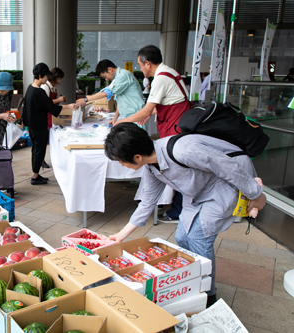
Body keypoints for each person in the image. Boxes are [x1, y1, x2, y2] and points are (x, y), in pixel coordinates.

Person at [105, 122, 266, 308]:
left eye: (121, 160)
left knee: (199, 237)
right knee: (182, 236)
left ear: (137, 157)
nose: (121, 164)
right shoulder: (151, 167)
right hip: (198, 191)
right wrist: (120, 236)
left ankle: (207, 294)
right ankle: (194, 280)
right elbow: (147, 202)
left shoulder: (184, 151)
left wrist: (256, 194)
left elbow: (228, 167)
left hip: (223, 185)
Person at [118, 45, 192, 223]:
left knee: (179, 170)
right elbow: (159, 105)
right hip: (176, 127)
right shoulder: (170, 72)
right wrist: (147, 114)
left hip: (175, 130)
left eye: (140, 64)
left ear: (148, 63)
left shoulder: (160, 78)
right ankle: (177, 207)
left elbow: (147, 109)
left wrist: (123, 121)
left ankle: (178, 211)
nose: (140, 68)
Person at [22, 63, 77, 185]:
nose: (47, 78)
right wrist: (69, 106)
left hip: (31, 126)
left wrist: (25, 124)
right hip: (39, 126)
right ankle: (35, 177)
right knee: (39, 151)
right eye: (46, 76)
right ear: (40, 75)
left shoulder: (30, 89)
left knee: (35, 150)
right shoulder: (40, 92)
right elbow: (52, 108)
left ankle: (35, 174)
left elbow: (25, 109)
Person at [76, 59, 145, 127]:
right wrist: (115, 118)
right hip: (130, 117)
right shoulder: (118, 78)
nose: (106, 79)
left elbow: (106, 92)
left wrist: (86, 99)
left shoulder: (123, 76)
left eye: (105, 76)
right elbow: (120, 101)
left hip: (137, 117)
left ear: (109, 69)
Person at [41, 67, 67, 169]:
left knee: (49, 138)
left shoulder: (53, 86)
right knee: (44, 140)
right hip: (46, 116)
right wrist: (59, 99)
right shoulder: (45, 86)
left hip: (53, 115)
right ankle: (40, 160)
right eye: (58, 78)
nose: (59, 81)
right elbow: (46, 103)